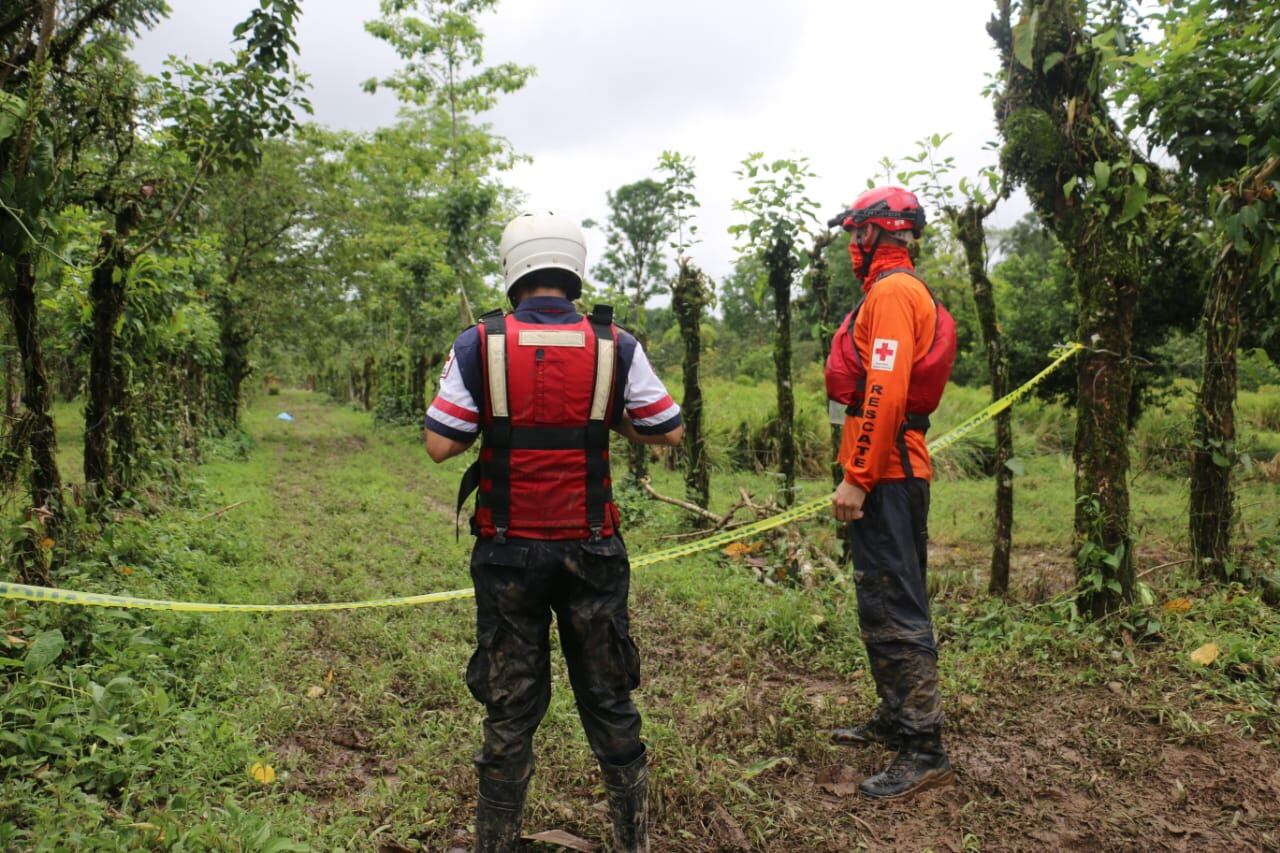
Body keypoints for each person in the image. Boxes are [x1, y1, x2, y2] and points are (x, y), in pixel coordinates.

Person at [423, 211, 683, 852]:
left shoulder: (479, 343)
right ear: (573, 269)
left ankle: (496, 844)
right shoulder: (615, 344)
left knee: (510, 705)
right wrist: (606, 417)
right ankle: (633, 843)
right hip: (592, 548)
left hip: (508, 551)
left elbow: (438, 445)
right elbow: (668, 432)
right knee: (609, 698)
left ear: (514, 268)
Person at [824, 186, 957, 800]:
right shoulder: (885, 292)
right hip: (885, 466)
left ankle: (924, 746)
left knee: (896, 601)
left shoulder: (896, 293)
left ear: (881, 234)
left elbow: (885, 389)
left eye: (859, 233)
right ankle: (897, 715)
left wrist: (858, 475)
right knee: (878, 596)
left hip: (890, 472)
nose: (853, 245)